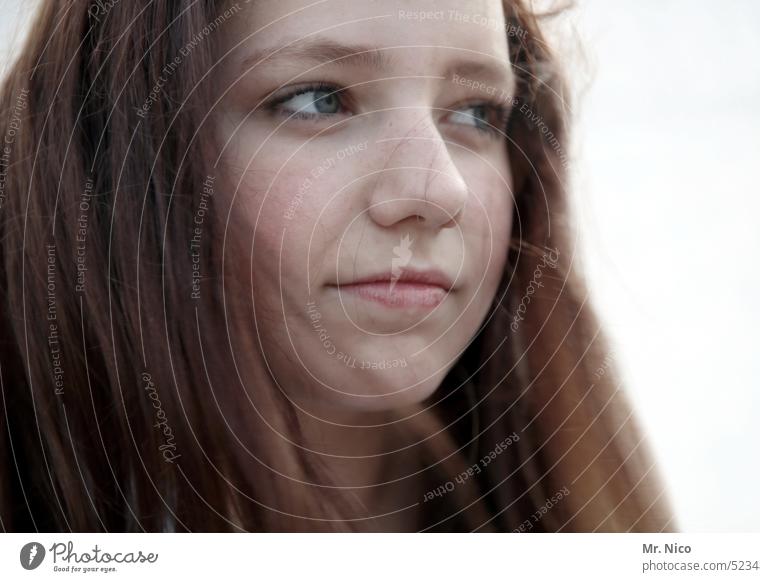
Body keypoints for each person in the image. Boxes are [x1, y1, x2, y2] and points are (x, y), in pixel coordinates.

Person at [0, 0, 674, 532]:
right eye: (319, 99)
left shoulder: (570, 513)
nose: (438, 192)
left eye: (475, 112)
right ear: (114, 158)